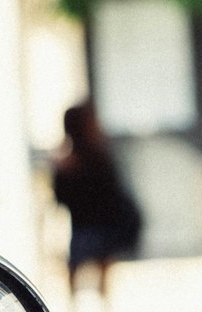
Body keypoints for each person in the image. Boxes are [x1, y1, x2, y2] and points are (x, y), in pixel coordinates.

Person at [52, 101, 142, 294]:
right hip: (94, 227)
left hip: (91, 228)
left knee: (78, 275)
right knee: (93, 276)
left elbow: (61, 199)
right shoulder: (97, 156)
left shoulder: (85, 160)